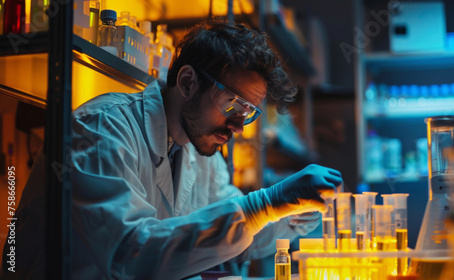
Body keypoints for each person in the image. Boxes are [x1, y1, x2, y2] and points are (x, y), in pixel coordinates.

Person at [2, 21, 342, 279]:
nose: (239, 127)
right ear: (188, 82)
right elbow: (131, 252)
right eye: (232, 105)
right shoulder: (102, 128)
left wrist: (296, 213)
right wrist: (265, 202)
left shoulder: (200, 150)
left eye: (248, 113)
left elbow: (238, 234)